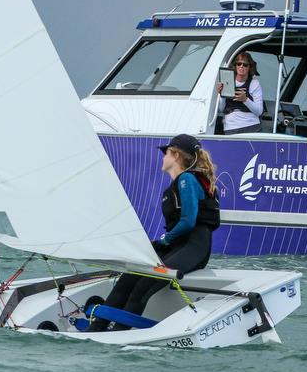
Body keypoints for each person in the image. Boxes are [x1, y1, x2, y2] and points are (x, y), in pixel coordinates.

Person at [90, 134, 220, 331]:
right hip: (177, 247)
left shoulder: (187, 179)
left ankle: (118, 334)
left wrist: (164, 239)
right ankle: (97, 328)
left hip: (194, 247)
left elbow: (188, 221)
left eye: (166, 153)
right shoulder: (178, 183)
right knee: (128, 279)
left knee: (143, 286)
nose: (163, 157)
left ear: (175, 156)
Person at [217, 52, 264, 134]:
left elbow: (259, 111)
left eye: (245, 64)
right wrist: (221, 95)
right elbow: (221, 109)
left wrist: (245, 99)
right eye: (239, 64)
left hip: (251, 126)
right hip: (231, 127)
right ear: (235, 66)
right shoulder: (227, 80)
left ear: (250, 67)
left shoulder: (254, 83)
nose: (241, 66)